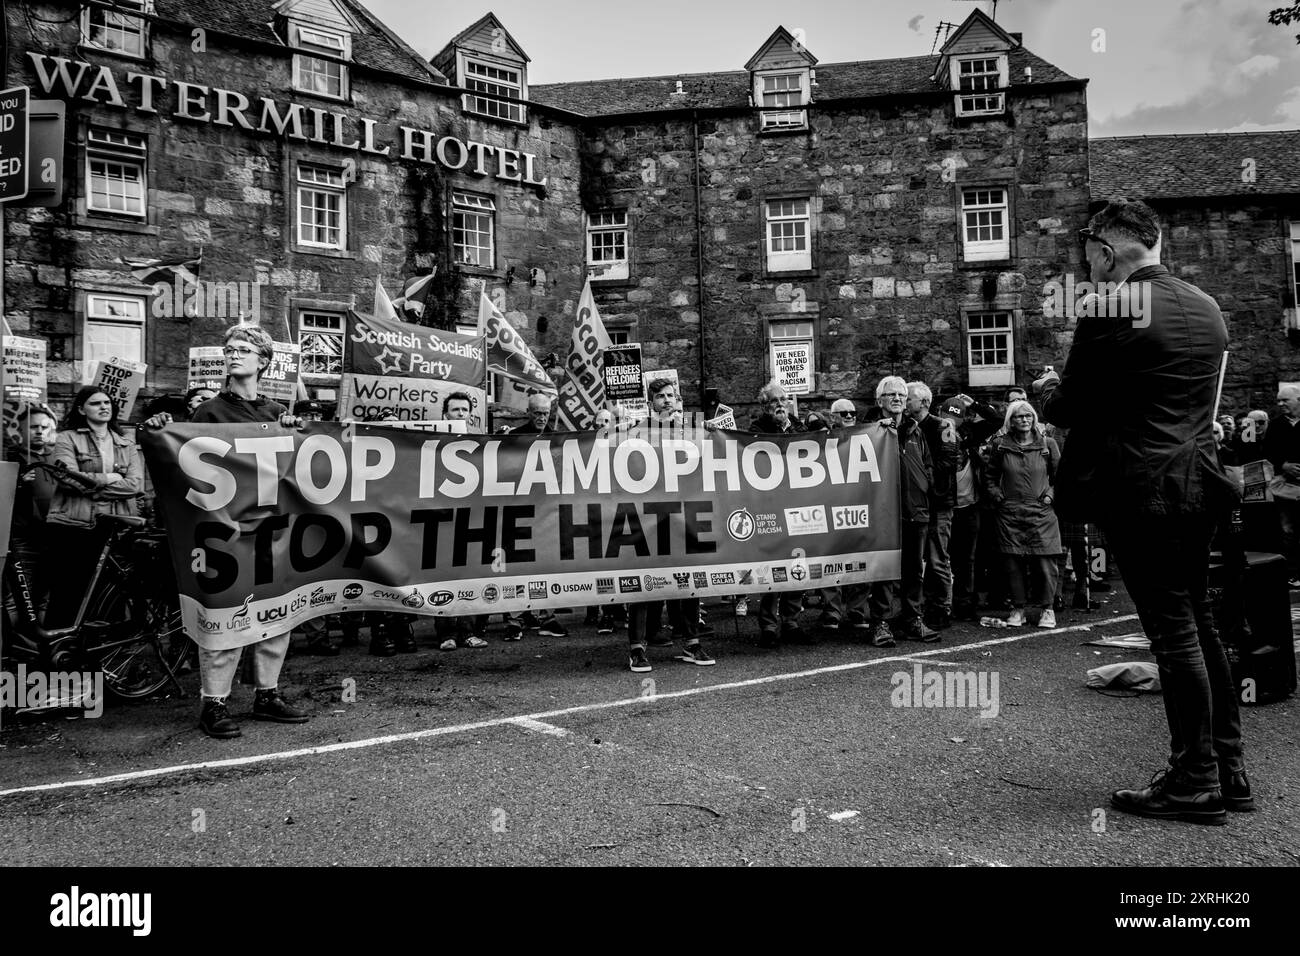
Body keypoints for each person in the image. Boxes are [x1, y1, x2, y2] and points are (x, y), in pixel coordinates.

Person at [1038, 197, 1248, 824]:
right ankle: (1228, 770)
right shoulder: (1208, 307)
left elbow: (1073, 406)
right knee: (1201, 623)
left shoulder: (1110, 306)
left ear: (1105, 250)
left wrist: (1051, 390)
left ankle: (1193, 781)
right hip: (1201, 482)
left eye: (1090, 254)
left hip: (1144, 489)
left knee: (1174, 631)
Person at [146, 323, 308, 739]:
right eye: (229, 349)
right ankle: (213, 703)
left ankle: (267, 694)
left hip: (272, 529)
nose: (233, 355)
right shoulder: (207, 413)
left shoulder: (277, 414)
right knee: (226, 616)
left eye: (243, 350)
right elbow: (184, 464)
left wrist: (296, 430)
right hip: (224, 532)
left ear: (264, 362)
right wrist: (159, 427)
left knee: (279, 615)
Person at [627, 378, 713, 670]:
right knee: (642, 583)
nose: (666, 400)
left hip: (683, 513)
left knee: (689, 579)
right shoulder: (639, 430)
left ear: (678, 400)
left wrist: (707, 433)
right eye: (660, 396)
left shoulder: (690, 429)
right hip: (648, 515)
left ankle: (692, 642)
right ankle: (637, 648)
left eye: (671, 396)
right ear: (651, 402)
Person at [43, 389, 144, 631]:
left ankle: (101, 646)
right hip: (74, 524)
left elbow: (135, 484)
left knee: (109, 590)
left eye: (107, 402)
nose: (103, 407)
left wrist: (92, 486)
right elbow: (67, 477)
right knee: (68, 588)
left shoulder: (125, 443)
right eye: (95, 403)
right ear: (81, 409)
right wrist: (110, 477)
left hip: (114, 524)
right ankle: (58, 642)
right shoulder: (67, 438)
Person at [864, 376, 938, 646]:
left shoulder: (915, 430)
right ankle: (880, 622)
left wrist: (925, 484)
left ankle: (912, 619)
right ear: (879, 400)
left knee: (913, 570)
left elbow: (928, 465)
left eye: (902, 395)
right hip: (884, 513)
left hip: (916, 510)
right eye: (891, 394)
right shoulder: (871, 430)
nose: (897, 399)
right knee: (884, 570)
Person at [984, 401, 1062, 628]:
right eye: (1018, 416)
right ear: (1010, 420)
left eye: (1028, 415)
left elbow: (1060, 478)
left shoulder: (1048, 444)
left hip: (1042, 512)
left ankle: (1047, 609)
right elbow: (990, 477)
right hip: (1010, 513)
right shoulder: (1000, 446)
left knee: (1046, 562)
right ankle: (1018, 609)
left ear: (1034, 418)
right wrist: (998, 496)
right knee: (1012, 562)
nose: (1024, 420)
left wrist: (1049, 496)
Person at [503, 392, 568, 640]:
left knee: (546, 563)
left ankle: (547, 617)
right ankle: (515, 619)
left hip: (547, 508)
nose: (542, 417)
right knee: (519, 564)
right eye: (537, 413)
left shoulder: (557, 437)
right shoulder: (516, 436)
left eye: (546, 413)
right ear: (529, 412)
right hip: (520, 507)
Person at [750, 381, 810, 647]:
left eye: (783, 400)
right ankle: (768, 624)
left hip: (797, 502)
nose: (780, 404)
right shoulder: (757, 428)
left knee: (798, 561)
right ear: (765, 406)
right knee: (772, 566)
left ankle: (792, 620)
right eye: (774, 401)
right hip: (771, 504)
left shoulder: (798, 426)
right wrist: (777, 427)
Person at [438, 391, 490, 650]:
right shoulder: (431, 441)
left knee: (469, 575)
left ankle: (468, 631)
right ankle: (445, 633)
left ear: (471, 414)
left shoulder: (479, 442)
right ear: (444, 414)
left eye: (464, 410)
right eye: (455, 410)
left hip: (471, 517)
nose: (460, 414)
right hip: (442, 517)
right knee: (444, 576)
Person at [907, 381, 959, 630]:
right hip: (918, 503)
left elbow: (948, 462)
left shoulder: (942, 426)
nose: (905, 403)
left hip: (938, 501)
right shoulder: (906, 427)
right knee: (918, 558)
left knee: (938, 557)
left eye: (909, 399)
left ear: (924, 402)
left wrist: (922, 474)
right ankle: (923, 605)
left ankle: (942, 607)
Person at [5, 404, 60, 618]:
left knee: (44, 596)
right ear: (21, 430)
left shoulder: (55, 457)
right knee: (18, 597)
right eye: (33, 426)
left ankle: (37, 647)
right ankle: (13, 648)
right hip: (22, 539)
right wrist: (18, 482)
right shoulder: (11, 457)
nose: (39, 431)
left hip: (52, 535)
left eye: (44, 427)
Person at [818, 398, 868, 631]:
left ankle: (857, 610)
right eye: (844, 413)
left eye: (853, 413)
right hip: (831, 506)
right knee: (831, 561)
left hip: (859, 506)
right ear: (833, 417)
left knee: (861, 559)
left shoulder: (868, 438)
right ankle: (832, 611)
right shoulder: (823, 440)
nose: (849, 416)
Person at [1261, 383, 1300, 587]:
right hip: (1285, 485)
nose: (1280, 404)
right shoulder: (1276, 425)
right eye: (1278, 400)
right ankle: (1293, 572)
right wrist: (1283, 464)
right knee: (1288, 530)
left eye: (1285, 400)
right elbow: (1267, 450)